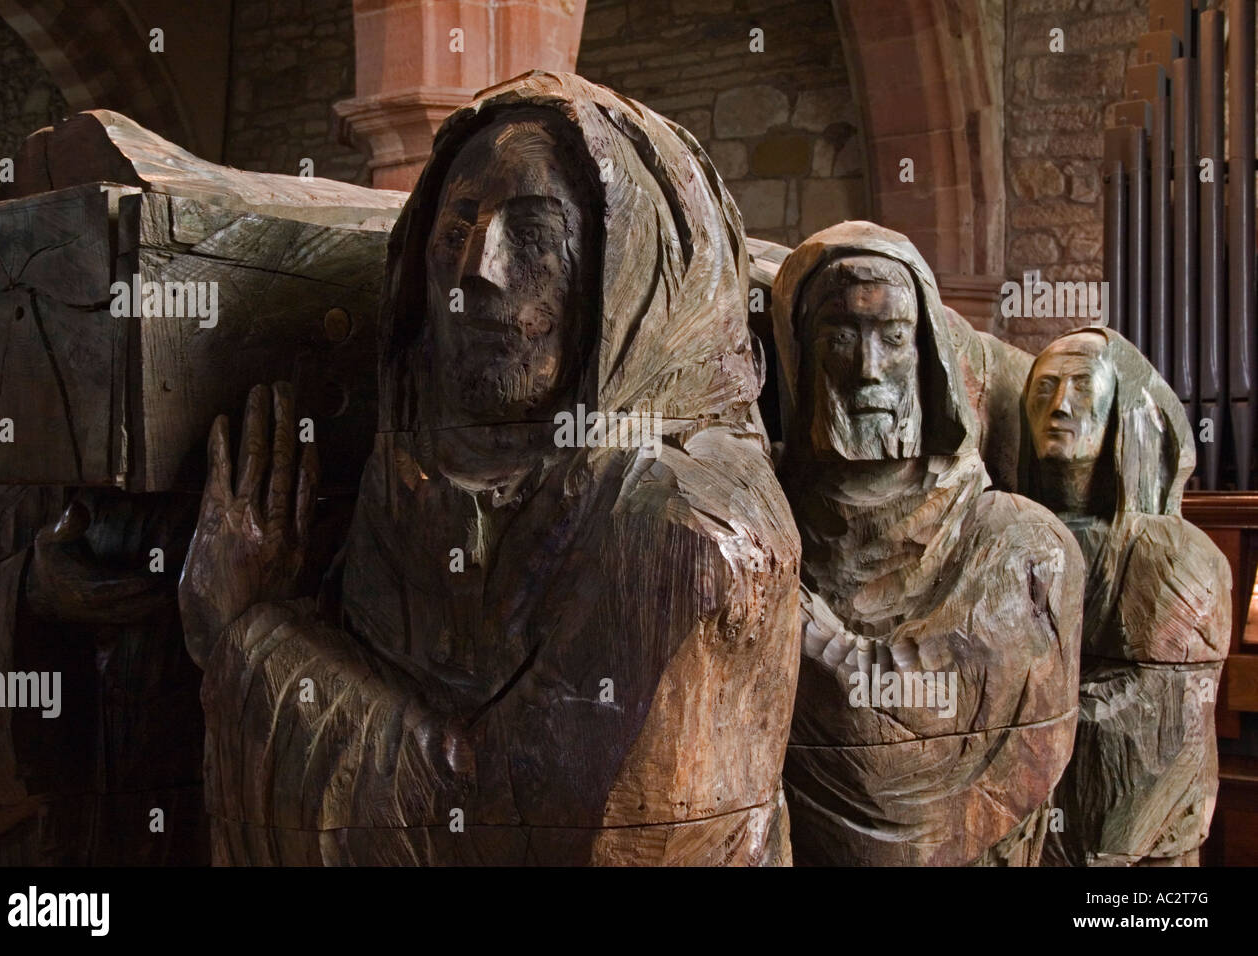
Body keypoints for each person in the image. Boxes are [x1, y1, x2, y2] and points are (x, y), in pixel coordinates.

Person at [178, 71, 801, 866]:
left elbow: (507, 825)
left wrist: (248, 635)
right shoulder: (409, 478)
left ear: (632, 277)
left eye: (536, 235)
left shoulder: (687, 531)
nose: (478, 269)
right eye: (455, 228)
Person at [772, 221, 1082, 865]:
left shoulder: (1015, 544)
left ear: (929, 353)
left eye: (893, 337)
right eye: (838, 336)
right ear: (799, 353)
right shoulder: (763, 509)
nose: (867, 370)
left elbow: (911, 732)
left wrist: (788, 622)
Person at [1022, 327, 1229, 866]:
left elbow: (1154, 720)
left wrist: (1008, 720)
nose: (1060, 405)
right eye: (1044, 388)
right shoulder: (1011, 536)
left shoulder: (1174, 551)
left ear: (1125, 408)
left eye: (1083, 386)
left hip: (1136, 843)